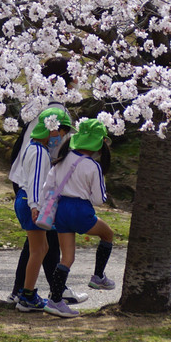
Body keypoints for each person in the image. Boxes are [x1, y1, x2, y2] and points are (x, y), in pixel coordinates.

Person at [6, 57, 88, 306]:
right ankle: (50, 290)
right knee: (45, 237)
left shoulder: (40, 105)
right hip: (36, 182)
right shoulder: (55, 112)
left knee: (38, 241)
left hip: (24, 176)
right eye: (74, 73)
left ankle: (24, 290)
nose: (78, 79)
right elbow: (56, 152)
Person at [41, 119, 116, 318]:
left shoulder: (62, 159)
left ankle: (55, 300)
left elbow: (48, 186)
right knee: (108, 234)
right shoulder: (92, 166)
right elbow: (99, 199)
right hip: (80, 209)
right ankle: (98, 276)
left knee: (67, 258)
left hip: (61, 210)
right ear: (98, 144)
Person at [9, 108, 74, 313]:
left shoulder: (34, 147)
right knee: (38, 250)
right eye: (61, 132)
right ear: (51, 130)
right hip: (31, 202)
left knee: (42, 248)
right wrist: (36, 206)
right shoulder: (38, 152)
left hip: (28, 200)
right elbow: (37, 181)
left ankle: (27, 292)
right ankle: (27, 295)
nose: (62, 137)